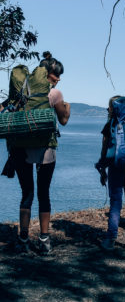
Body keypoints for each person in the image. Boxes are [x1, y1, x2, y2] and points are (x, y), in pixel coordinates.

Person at [13, 51, 70, 254]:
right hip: (45, 149)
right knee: (44, 194)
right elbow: (63, 120)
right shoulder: (55, 94)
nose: (59, 79)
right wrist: (67, 108)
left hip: (21, 149)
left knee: (26, 194)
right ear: (48, 74)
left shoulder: (23, 88)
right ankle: (44, 240)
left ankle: (23, 239)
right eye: (57, 75)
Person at [98, 96, 125, 252]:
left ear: (112, 108)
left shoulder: (110, 125)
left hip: (115, 168)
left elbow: (104, 150)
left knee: (115, 204)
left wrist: (102, 169)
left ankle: (110, 239)